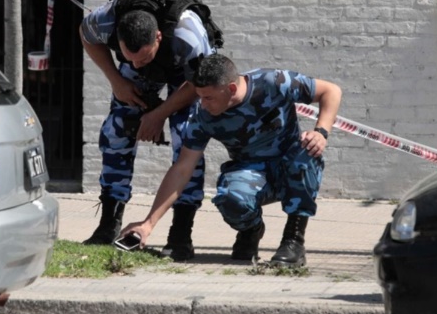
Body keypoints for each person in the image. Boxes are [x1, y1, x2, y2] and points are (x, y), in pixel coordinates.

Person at [119, 54, 342, 266]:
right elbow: (182, 168)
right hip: (250, 171)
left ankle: (293, 241)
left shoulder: (274, 82)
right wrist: (148, 223)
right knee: (230, 199)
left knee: (307, 153)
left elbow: (331, 91)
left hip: (288, 165)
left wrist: (321, 132)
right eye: (200, 96)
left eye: (209, 97)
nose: (203, 104)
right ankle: (251, 230)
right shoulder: (202, 115)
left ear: (231, 88)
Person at [79, 0, 217, 261]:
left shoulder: (188, 34)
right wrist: (116, 80)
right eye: (130, 57)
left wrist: (159, 114)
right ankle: (108, 225)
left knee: (187, 138)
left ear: (158, 37)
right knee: (116, 129)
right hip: (147, 72)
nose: (136, 63)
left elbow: (198, 84)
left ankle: (180, 235)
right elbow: (85, 34)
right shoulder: (106, 20)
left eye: (142, 57)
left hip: (188, 74)